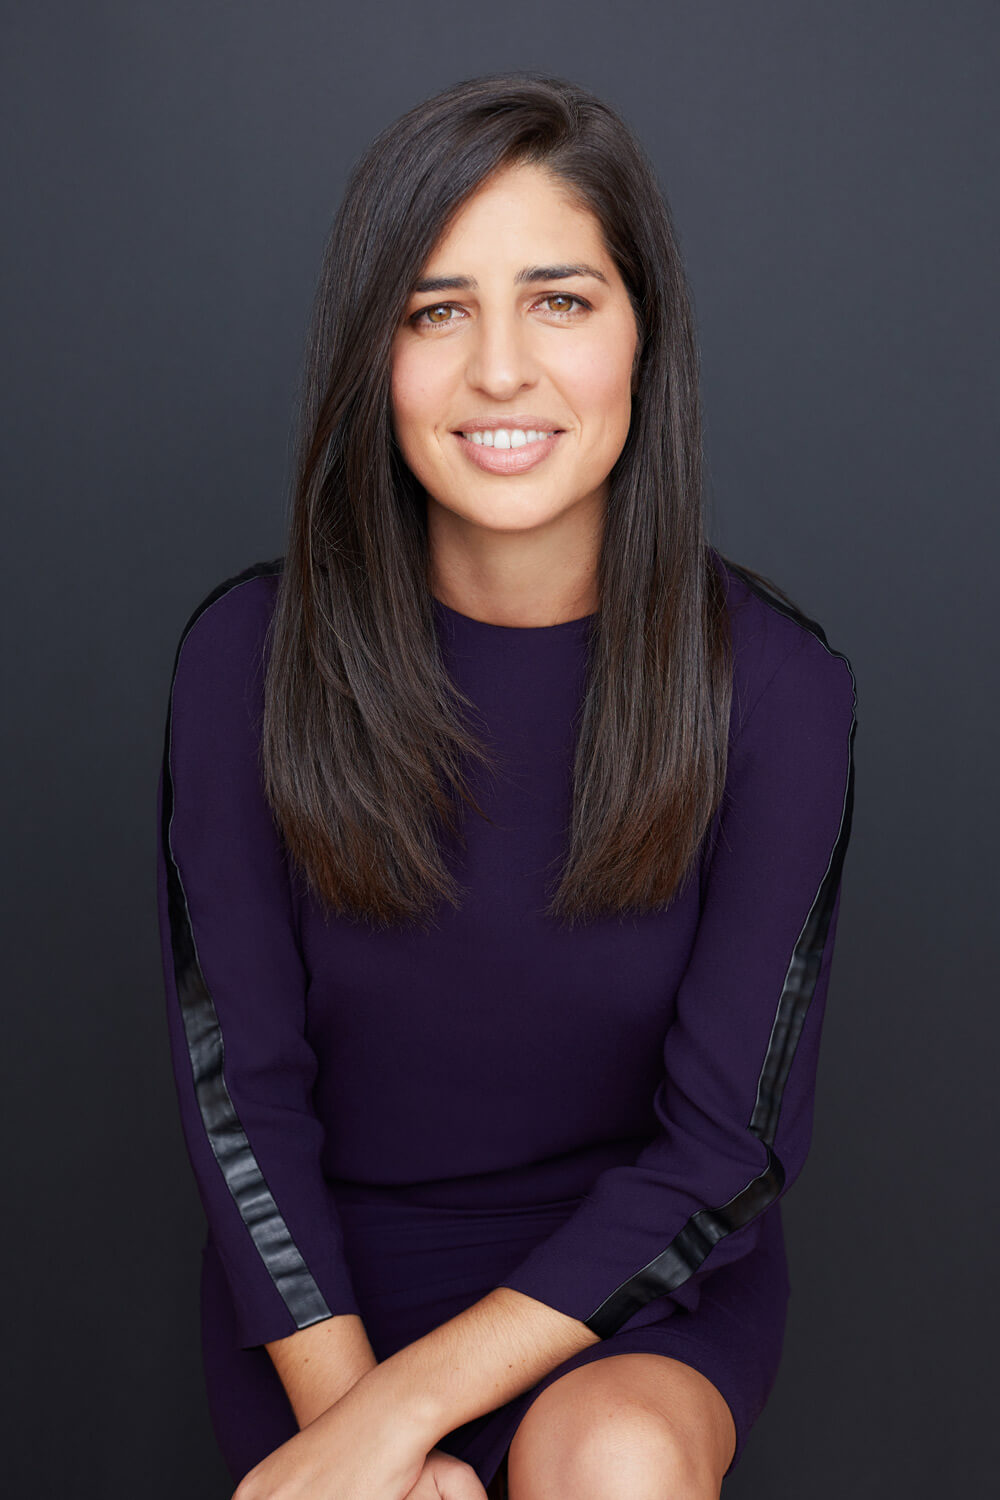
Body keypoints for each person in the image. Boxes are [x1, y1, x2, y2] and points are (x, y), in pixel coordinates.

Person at [156, 71, 857, 1500]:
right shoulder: (246, 660)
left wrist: (397, 1423)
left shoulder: (780, 692)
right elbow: (243, 1106)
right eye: (436, 311)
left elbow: (720, 1151)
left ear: (642, 332)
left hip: (631, 1292)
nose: (499, 371)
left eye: (559, 301)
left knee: (615, 1463)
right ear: (375, 353)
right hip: (325, 1301)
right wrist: (356, 1424)